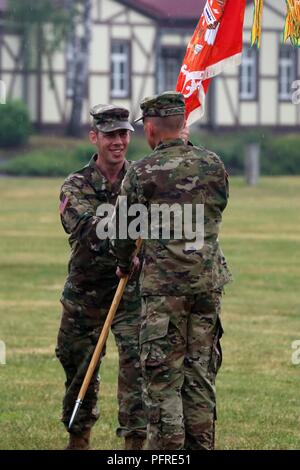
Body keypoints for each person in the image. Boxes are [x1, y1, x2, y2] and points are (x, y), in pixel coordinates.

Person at [114, 91, 232, 450]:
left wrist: (125, 263)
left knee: (163, 379)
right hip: (207, 287)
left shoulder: (141, 172)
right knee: (199, 376)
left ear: (150, 128)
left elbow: (123, 231)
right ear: (183, 124)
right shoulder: (213, 164)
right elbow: (218, 205)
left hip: (165, 293)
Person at [55, 105, 146, 450]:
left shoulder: (141, 178)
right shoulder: (76, 185)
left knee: (137, 367)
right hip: (87, 295)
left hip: (131, 293)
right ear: (95, 137)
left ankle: (135, 446)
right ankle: (79, 439)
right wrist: (131, 226)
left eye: (124, 134)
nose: (119, 141)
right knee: (79, 368)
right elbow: (88, 230)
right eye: (110, 135)